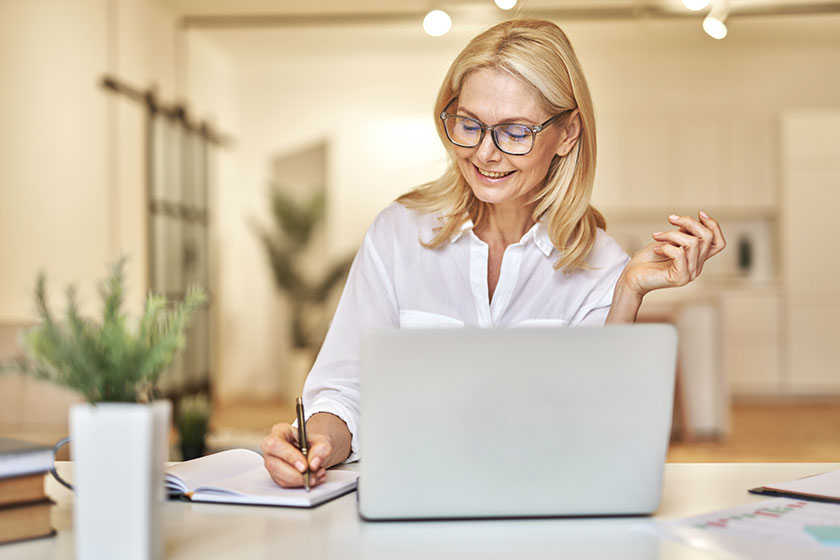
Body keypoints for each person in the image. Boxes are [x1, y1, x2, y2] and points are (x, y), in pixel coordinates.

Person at [260, 18, 725, 488]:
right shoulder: (397, 234)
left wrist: (627, 293)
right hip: (413, 499)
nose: (485, 153)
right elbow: (343, 389)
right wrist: (314, 442)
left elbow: (602, 433)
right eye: (470, 124)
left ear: (566, 134)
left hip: (543, 508)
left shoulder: (600, 264)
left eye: (515, 132)